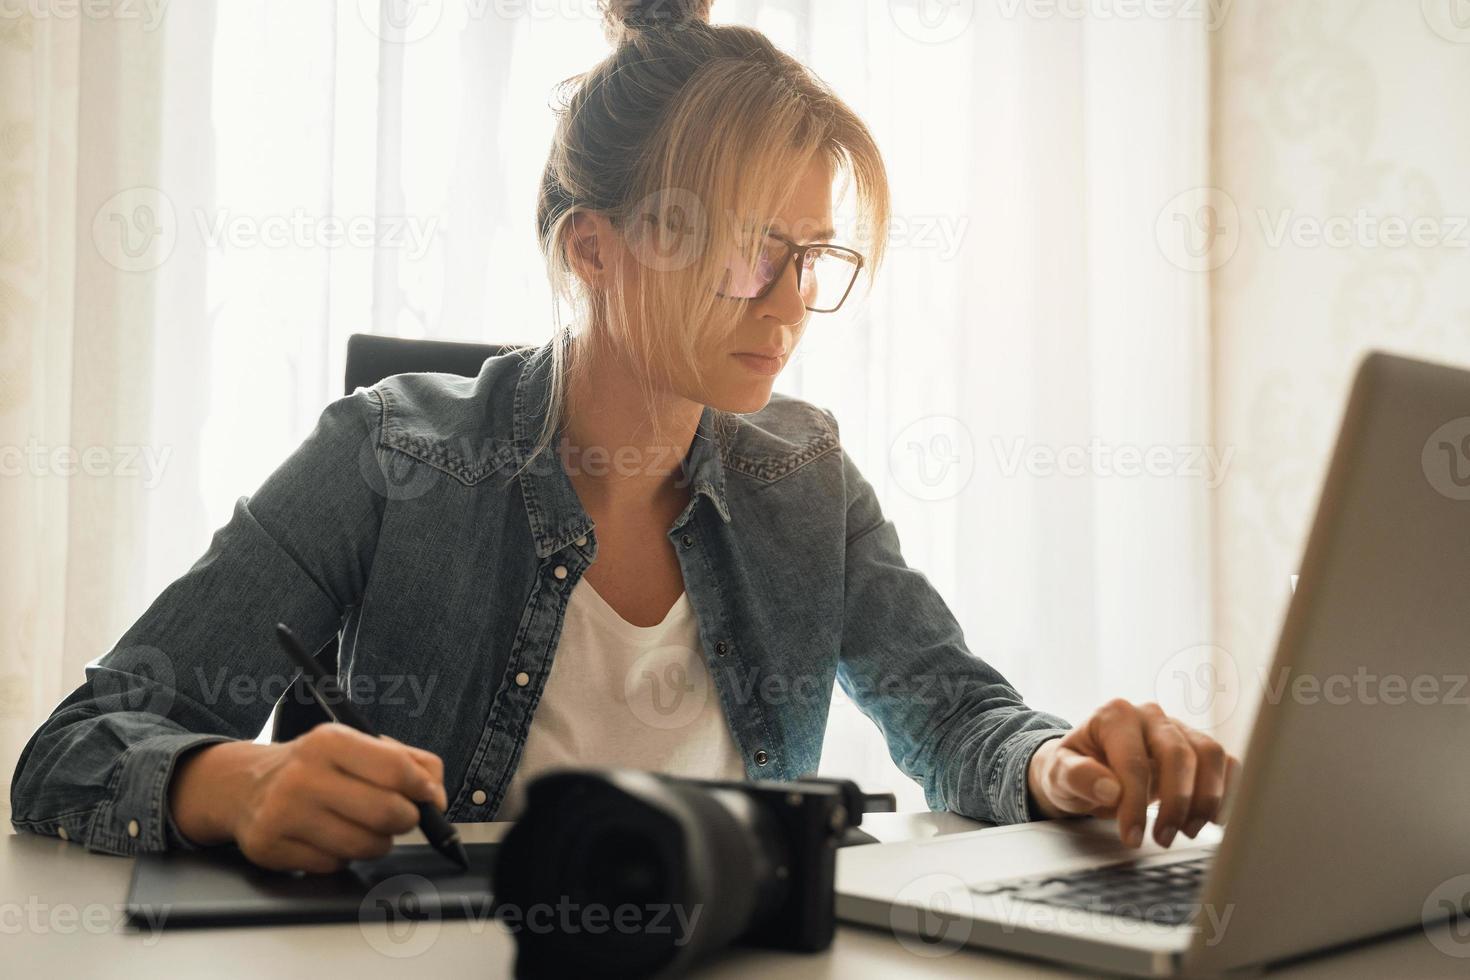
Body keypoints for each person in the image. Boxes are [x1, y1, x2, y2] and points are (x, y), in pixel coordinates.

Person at [9, 0, 1237, 874]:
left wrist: (1058, 767)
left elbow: (954, 718)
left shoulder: (803, 475)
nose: (792, 299)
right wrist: (238, 783)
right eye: (754, 249)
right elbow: (69, 749)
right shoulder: (392, 452)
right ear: (593, 245)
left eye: (812, 256)